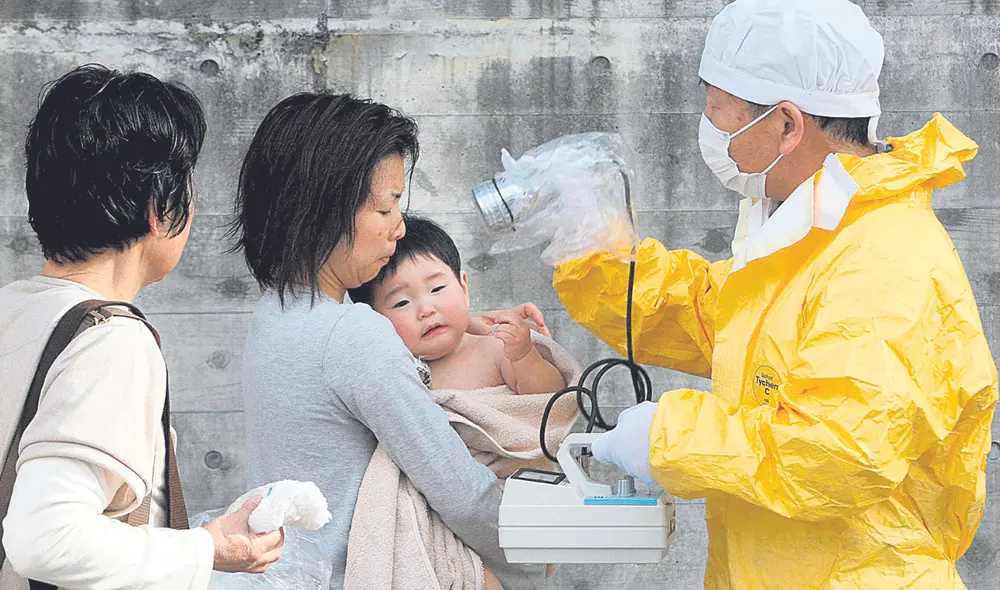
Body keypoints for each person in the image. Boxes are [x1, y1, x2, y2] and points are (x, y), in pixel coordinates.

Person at [510, 1, 999, 588]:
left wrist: (667, 436)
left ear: (787, 125)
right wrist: (592, 249)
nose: (711, 132)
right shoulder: (816, 232)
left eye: (719, 114)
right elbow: (712, 316)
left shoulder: (883, 262)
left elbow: (834, 454)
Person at [232, 92, 543, 589]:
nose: (399, 226)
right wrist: (542, 539)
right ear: (322, 213)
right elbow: (457, 489)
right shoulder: (352, 334)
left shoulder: (275, 312)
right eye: (386, 206)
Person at [0, 65, 284, 589]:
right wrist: (209, 550)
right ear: (159, 208)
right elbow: (45, 538)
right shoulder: (111, 340)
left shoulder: (15, 311)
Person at [349, 215, 566, 395]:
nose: (426, 310)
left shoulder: (495, 350)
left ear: (463, 288)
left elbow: (551, 398)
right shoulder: (393, 375)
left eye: (436, 289)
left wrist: (524, 355)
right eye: (402, 302)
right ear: (376, 320)